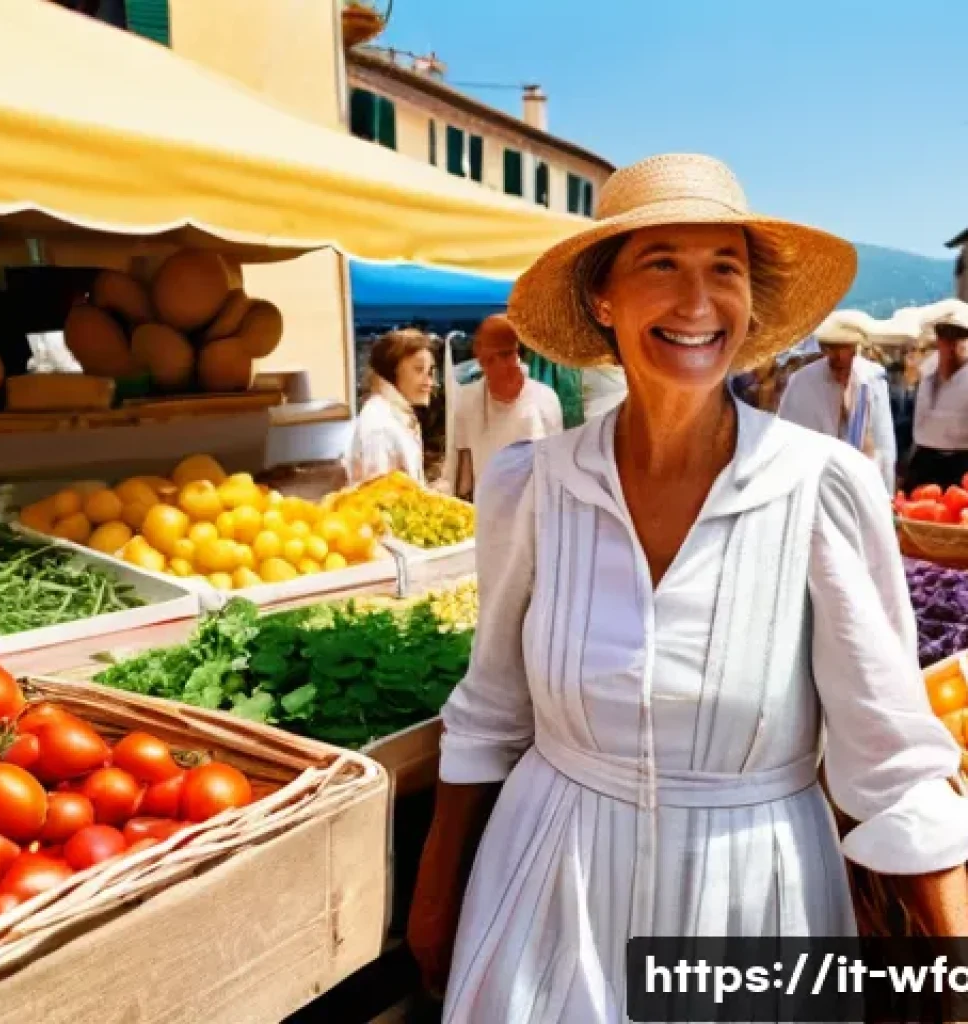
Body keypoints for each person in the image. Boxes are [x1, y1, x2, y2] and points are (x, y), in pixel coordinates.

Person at [407, 153, 968, 1023]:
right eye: (660, 263)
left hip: (753, 904)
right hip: (549, 882)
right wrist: (438, 893)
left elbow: (891, 763)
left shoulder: (820, 487)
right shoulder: (535, 486)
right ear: (604, 298)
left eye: (724, 270)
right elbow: (490, 707)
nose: (697, 303)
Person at [777, 321, 898, 494]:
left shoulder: (871, 381)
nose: (839, 356)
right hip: (814, 487)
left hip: (861, 485)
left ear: (856, 348)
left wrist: (886, 494)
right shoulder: (802, 382)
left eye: (845, 348)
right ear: (824, 349)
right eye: (832, 348)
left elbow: (885, 442)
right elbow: (788, 439)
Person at [453, 315, 563, 501]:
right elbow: (463, 462)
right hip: (486, 507)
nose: (500, 363)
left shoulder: (545, 398)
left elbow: (556, 463)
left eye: (506, 354)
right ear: (479, 358)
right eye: (488, 358)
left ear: (516, 351)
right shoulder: (468, 400)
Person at [344, 328, 435, 486]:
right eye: (419, 369)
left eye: (430, 372)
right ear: (392, 371)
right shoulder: (380, 426)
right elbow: (380, 500)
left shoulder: (395, 416)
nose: (429, 382)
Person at [905, 304, 968, 491]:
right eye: (945, 336)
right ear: (939, 340)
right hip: (926, 459)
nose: (952, 344)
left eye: (959, 336)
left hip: (962, 460)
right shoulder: (928, 370)